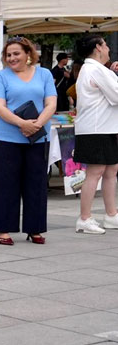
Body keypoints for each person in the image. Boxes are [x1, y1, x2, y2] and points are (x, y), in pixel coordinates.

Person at [0, 36, 57, 245]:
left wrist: (36, 125)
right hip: (5, 138)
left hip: (37, 137)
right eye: (8, 55)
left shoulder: (44, 74)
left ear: (28, 54)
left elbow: (51, 103)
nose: (12, 58)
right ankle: (2, 228)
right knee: (6, 183)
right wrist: (22, 124)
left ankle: (34, 228)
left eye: (16, 53)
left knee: (36, 183)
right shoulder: (1, 77)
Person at [72, 34, 118, 234]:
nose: (108, 48)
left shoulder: (95, 69)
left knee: (110, 171)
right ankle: (85, 218)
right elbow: (116, 96)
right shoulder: (95, 69)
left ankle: (111, 215)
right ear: (98, 47)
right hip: (95, 128)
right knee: (96, 172)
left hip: (103, 127)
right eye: (106, 45)